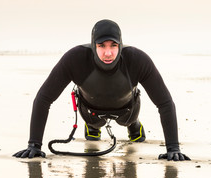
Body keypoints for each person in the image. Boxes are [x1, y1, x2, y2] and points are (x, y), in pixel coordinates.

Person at [13, 19, 190, 161]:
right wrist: (34, 145)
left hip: (128, 110)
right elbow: (44, 98)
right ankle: (92, 126)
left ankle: (133, 125)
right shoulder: (76, 59)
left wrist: (173, 148)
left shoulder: (137, 60)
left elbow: (165, 103)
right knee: (93, 128)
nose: (108, 53)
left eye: (113, 45)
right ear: (93, 45)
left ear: (120, 44)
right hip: (90, 110)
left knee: (127, 121)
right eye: (101, 46)